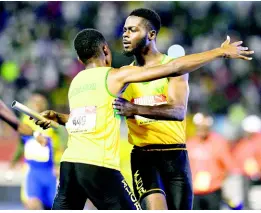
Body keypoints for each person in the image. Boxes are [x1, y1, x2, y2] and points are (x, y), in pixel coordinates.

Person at [35, 28, 252, 210]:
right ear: (105, 50)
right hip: (98, 166)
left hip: (70, 166)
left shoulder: (76, 83)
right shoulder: (114, 76)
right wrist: (219, 52)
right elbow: (173, 67)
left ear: (78, 58)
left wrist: (59, 117)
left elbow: (81, 120)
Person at [112, 8, 252, 210]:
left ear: (151, 35)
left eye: (132, 30)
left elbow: (177, 111)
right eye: (124, 30)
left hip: (175, 155)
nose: (125, 35)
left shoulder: (174, 66)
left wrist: (134, 108)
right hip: (143, 157)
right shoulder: (124, 74)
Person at [0, 99, 57, 210]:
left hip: (50, 171)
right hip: (33, 171)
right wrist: (14, 161)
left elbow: (15, 123)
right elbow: (21, 142)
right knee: (32, 204)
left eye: (39, 103)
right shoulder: (26, 120)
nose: (36, 105)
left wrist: (35, 134)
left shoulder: (52, 122)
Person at [187, 113, 238, 210]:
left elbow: (229, 166)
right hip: (194, 192)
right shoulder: (190, 143)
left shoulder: (218, 143)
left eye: (204, 127)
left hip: (213, 190)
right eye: (199, 127)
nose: (201, 129)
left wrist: (219, 180)